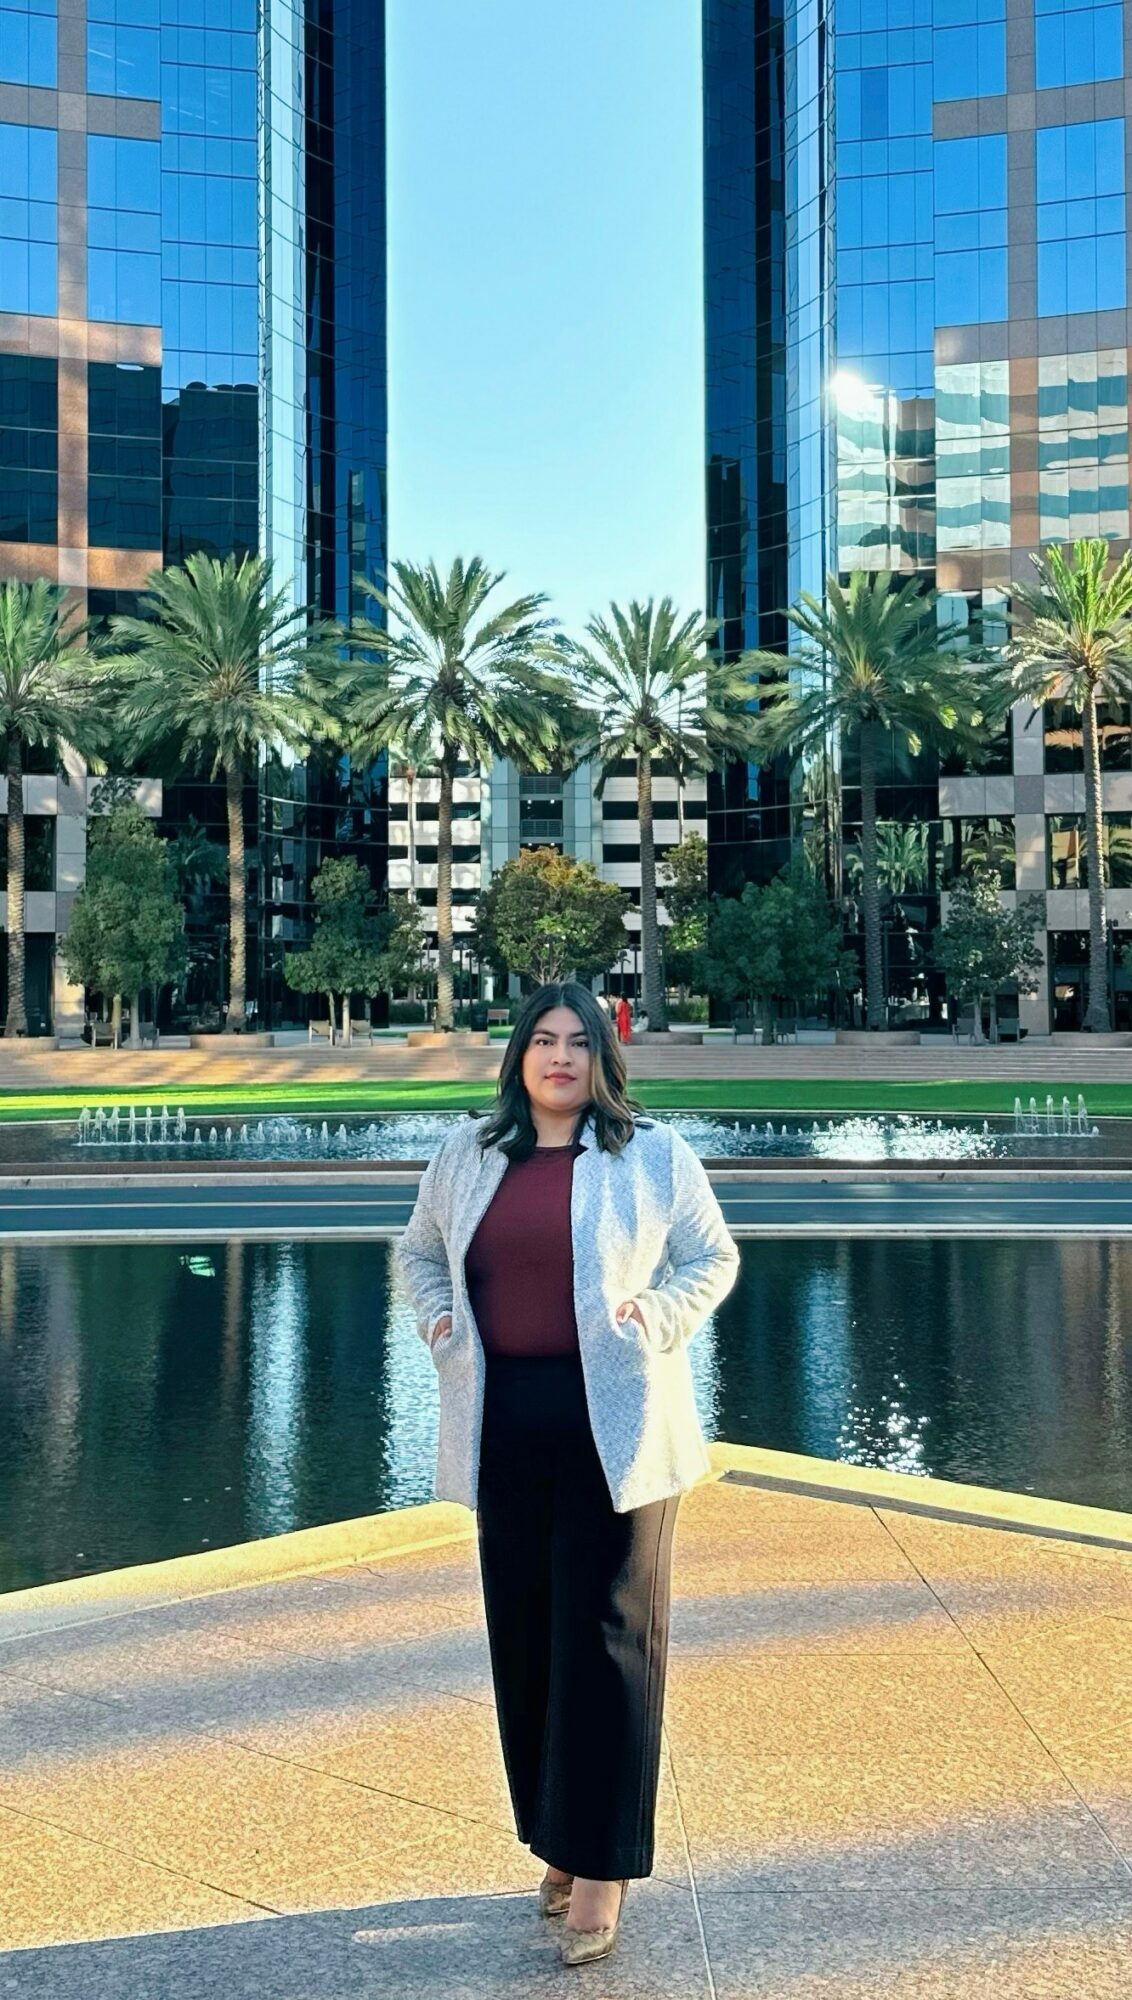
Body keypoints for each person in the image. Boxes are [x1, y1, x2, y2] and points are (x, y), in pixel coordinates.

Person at [395, 981, 739, 1968]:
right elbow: (418, 1251)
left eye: (577, 1043)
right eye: (542, 1040)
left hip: (619, 1436)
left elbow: (709, 1257)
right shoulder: (468, 1154)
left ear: (601, 1060)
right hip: (506, 1428)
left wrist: (660, 1318)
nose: (558, 1058)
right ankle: (556, 1834)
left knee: (607, 1643)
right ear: (517, 1056)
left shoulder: (651, 1153)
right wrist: (434, 1318)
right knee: (529, 1635)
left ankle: (600, 1868)